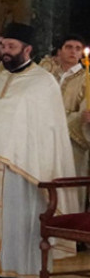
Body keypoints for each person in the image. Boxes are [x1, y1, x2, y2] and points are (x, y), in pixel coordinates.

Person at [0, 22, 79, 278]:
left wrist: (28, 156)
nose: (5, 51)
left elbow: (47, 130)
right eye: (3, 45)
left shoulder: (42, 82)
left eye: (11, 46)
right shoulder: (0, 79)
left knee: (21, 216)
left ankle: (23, 269)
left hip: (27, 165)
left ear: (27, 49)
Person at [50, 34, 90, 178]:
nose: (73, 51)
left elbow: (85, 112)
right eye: (69, 47)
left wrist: (58, 122)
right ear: (59, 51)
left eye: (78, 49)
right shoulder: (49, 76)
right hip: (47, 138)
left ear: (81, 54)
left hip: (72, 141)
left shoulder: (86, 78)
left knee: (70, 177)